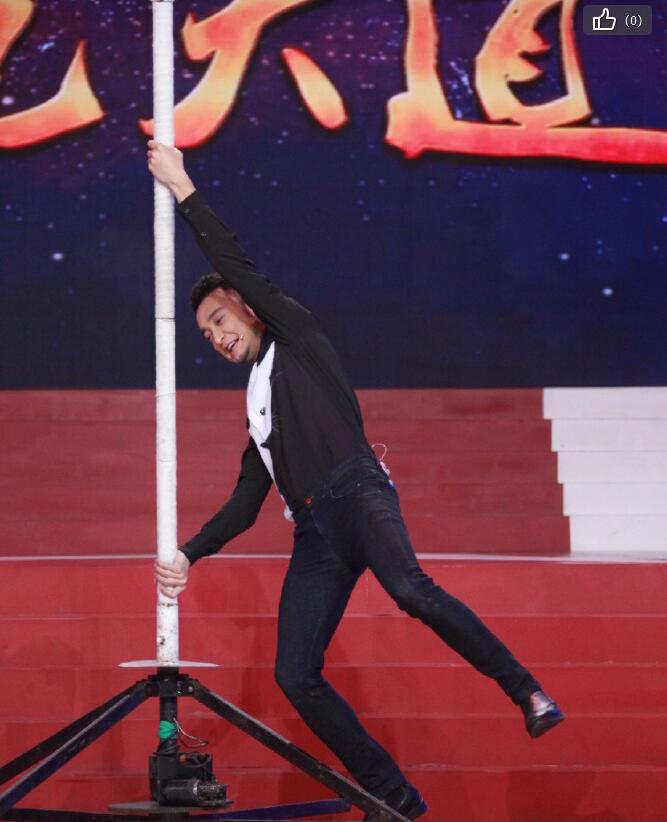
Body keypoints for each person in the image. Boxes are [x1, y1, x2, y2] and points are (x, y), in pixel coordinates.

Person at [147, 140, 564, 821]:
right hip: (315, 534)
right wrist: (190, 554)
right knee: (294, 673)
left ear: (248, 308)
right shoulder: (256, 401)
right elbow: (247, 502)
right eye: (205, 334)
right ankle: (392, 795)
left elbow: (234, 261)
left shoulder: (296, 335)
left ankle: (527, 692)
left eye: (219, 320)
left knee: (410, 589)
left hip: (358, 491)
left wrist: (183, 188)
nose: (216, 337)